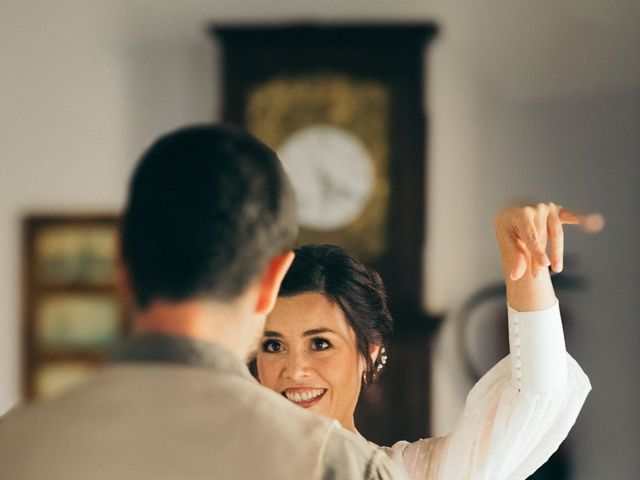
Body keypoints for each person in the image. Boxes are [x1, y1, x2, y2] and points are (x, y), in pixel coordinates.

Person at [0, 125, 403, 480]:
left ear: (121, 266)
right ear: (270, 280)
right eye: (276, 345)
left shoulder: (15, 445)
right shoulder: (339, 466)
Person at [256, 203, 599, 479]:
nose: (295, 369)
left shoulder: (415, 473)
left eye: (319, 344)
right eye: (273, 345)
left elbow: (536, 398)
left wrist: (527, 269)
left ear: (370, 353)